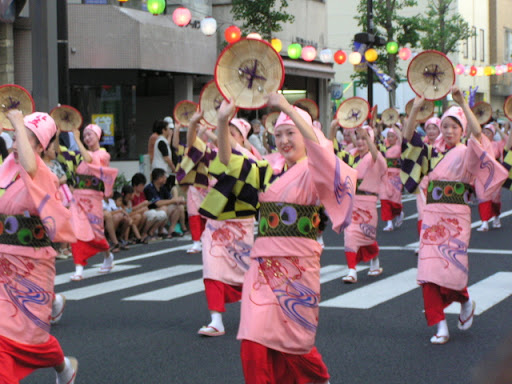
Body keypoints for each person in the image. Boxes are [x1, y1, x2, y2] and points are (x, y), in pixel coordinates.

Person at [190, 94, 356, 383]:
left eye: (291, 132)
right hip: (263, 263)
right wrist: (221, 120)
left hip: (298, 265)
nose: (284, 140)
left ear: (306, 134)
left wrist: (286, 107)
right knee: (252, 337)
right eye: (278, 134)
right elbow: (228, 162)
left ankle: (320, 379)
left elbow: (321, 149)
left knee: (294, 341)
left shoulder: (316, 168)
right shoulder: (268, 169)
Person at [401, 88, 508, 345]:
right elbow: (407, 142)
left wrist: (462, 103)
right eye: (445, 126)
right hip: (432, 215)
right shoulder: (431, 153)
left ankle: (465, 300)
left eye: (454, 127)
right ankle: (440, 327)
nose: (448, 131)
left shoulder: (468, 150)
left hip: (457, 217)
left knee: (451, 271)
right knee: (428, 272)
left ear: (462, 130)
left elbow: (479, 134)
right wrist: (415, 109)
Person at [0, 110, 78, 384]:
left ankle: (63, 366)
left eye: (22, 136)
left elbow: (30, 168)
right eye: (14, 135)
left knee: (31, 336)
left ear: (38, 146)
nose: (14, 140)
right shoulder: (6, 172)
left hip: (31, 267)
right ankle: (64, 368)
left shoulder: (42, 174)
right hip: (3, 264)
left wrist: (19, 123)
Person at [334, 124, 387, 283]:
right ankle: (352, 271)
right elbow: (334, 152)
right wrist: (332, 128)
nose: (360, 142)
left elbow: (376, 156)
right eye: (359, 138)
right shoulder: (351, 156)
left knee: (367, 236)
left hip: (368, 202)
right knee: (350, 234)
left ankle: (375, 261)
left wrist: (370, 139)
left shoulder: (375, 156)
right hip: (352, 200)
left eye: (365, 138)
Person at [69, 124, 118, 281]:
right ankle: (79, 268)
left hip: (93, 198)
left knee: (96, 233)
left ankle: (107, 255)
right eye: (84, 135)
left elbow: (90, 160)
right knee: (76, 231)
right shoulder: (82, 156)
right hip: (78, 198)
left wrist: (76, 139)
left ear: (98, 136)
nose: (87, 138)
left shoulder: (103, 155)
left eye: (90, 135)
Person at [476, 123, 508, 231]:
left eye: (488, 132)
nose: (485, 134)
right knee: (482, 197)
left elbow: (508, 141)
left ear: (493, 135)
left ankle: (496, 216)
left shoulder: (497, 144)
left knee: (495, 198)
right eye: (483, 132)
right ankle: (484, 222)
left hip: (494, 175)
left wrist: (498, 129)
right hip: (480, 174)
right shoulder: (477, 144)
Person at [144, 167, 185, 238]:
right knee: (164, 208)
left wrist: (179, 200)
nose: (165, 178)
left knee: (179, 207)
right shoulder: (149, 188)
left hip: (162, 210)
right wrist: (174, 200)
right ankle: (154, 231)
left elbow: (171, 199)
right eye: (164, 177)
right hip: (152, 210)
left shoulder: (163, 187)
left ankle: (171, 230)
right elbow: (157, 203)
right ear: (159, 178)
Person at [379, 125, 404, 232]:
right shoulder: (384, 147)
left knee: (395, 201)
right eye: (388, 136)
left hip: (397, 177)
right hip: (385, 176)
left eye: (392, 136)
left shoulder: (400, 148)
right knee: (384, 199)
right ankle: (389, 223)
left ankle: (399, 213)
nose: (389, 138)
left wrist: (396, 128)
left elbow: (403, 140)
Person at [131, 172, 168, 241]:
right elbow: (129, 210)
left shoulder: (142, 193)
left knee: (163, 214)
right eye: (141, 185)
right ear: (135, 185)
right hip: (137, 213)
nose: (143, 187)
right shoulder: (131, 195)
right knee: (152, 214)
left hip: (145, 212)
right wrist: (141, 206)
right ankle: (143, 233)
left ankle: (151, 232)